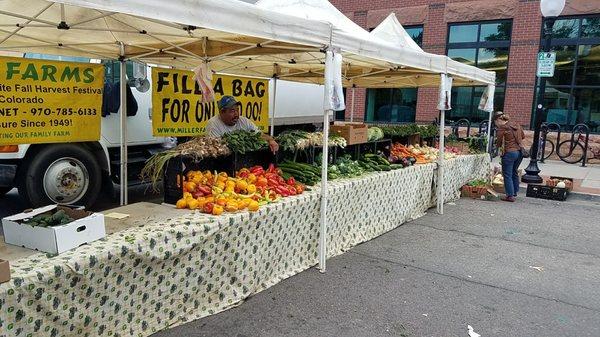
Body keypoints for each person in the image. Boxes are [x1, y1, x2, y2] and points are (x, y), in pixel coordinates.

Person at [205, 95, 279, 153]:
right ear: (222, 112)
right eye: (232, 111)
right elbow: (216, 148)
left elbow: (259, 135)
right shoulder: (213, 124)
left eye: (237, 110)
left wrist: (270, 140)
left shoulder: (244, 121)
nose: (236, 114)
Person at [494, 111, 525, 202]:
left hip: (509, 153)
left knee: (507, 174)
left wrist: (497, 148)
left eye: (495, 123)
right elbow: (523, 136)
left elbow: (499, 142)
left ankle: (510, 196)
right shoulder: (517, 125)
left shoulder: (503, 128)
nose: (496, 125)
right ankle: (514, 191)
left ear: (498, 120)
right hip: (519, 152)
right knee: (514, 172)